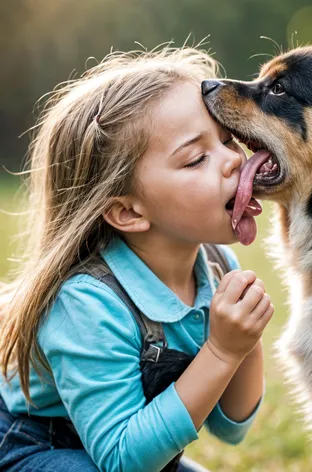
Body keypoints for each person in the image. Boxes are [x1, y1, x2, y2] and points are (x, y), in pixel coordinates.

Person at [0, 45, 273, 472]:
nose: (234, 160)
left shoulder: (217, 267)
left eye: (225, 139)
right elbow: (123, 461)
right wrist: (219, 352)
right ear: (128, 211)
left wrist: (243, 345)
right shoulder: (87, 304)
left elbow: (230, 429)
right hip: (33, 448)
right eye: (196, 158)